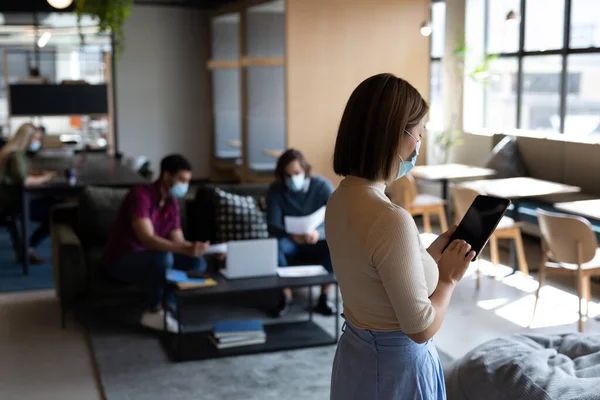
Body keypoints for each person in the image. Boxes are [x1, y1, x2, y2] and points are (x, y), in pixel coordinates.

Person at [326, 73, 475, 400]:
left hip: (356, 355)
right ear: (395, 136)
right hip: (395, 369)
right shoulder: (389, 218)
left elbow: (377, 273)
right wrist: (448, 279)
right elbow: (421, 328)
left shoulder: (340, 198)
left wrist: (430, 254)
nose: (420, 142)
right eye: (419, 132)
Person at [103, 154, 210, 332]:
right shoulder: (141, 195)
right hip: (122, 259)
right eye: (181, 180)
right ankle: (153, 311)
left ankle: (168, 306)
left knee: (197, 262)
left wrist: (201, 249)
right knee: (163, 259)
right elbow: (148, 239)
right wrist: (184, 248)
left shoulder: (172, 203)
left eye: (188, 181)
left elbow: (179, 242)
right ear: (167, 176)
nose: (185, 186)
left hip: (154, 258)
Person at [267, 149, 336, 317]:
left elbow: (337, 219)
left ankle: (325, 296)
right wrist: (292, 235)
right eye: (288, 175)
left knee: (338, 244)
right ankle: (285, 295)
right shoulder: (276, 191)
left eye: (296, 173)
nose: (293, 179)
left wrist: (318, 234)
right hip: (290, 241)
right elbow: (273, 225)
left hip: (317, 240)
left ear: (305, 170)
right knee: (275, 246)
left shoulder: (322, 186)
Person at [0, 123, 56, 264]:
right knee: (56, 211)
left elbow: (16, 174)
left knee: (51, 205)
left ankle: (26, 248)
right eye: (36, 138)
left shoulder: (8, 152)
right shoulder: (16, 155)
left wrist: (34, 173)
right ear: (27, 138)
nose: (38, 142)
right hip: (15, 203)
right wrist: (46, 177)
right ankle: (28, 247)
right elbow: (25, 181)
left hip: (6, 200)